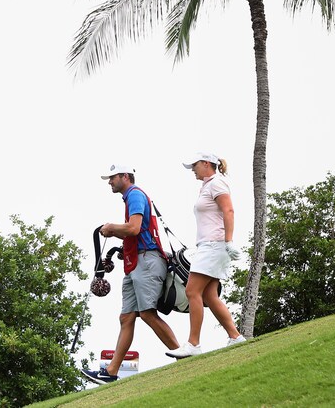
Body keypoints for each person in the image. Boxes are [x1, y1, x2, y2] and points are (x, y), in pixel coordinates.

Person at [82, 163, 179, 384]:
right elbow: (135, 232)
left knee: (147, 314)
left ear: (125, 176)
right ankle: (111, 373)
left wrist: (111, 228)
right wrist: (116, 235)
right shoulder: (130, 198)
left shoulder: (134, 195)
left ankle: (183, 356)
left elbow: (133, 228)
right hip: (136, 262)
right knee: (126, 317)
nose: (109, 181)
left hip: (147, 260)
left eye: (112, 177)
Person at [166, 152, 246, 359]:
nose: (192, 169)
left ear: (205, 164)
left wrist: (229, 241)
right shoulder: (207, 185)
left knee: (192, 291)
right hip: (208, 245)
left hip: (215, 245)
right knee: (209, 296)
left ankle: (193, 344)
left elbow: (228, 211)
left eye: (194, 165)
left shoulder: (217, 183)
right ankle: (235, 336)